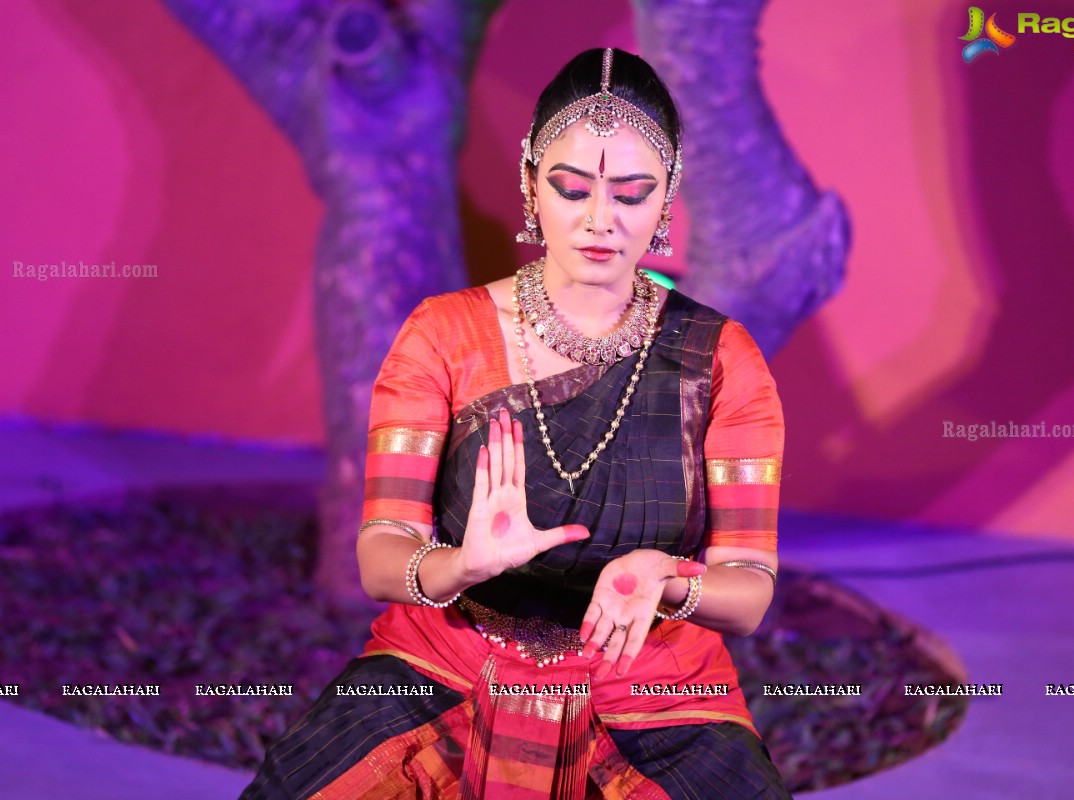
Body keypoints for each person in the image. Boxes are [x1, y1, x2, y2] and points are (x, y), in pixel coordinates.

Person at [242, 47, 789, 799]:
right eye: (572, 188)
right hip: (449, 661)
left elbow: (750, 589)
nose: (601, 220)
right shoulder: (443, 334)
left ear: (668, 200)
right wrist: (459, 565)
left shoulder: (720, 359)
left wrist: (660, 575)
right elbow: (380, 557)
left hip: (653, 686)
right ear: (532, 180)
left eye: (632, 194)